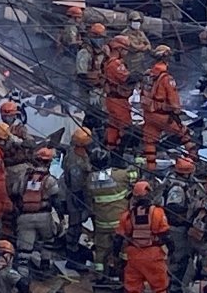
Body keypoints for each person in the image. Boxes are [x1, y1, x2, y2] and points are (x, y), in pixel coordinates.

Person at [113, 181, 171, 293]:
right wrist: (171, 251)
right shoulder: (157, 213)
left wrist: (115, 256)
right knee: (160, 288)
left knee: (133, 288)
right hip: (154, 255)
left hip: (134, 257)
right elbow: (166, 235)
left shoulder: (127, 216)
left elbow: (118, 239)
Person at [140, 45, 198, 172]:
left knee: (150, 143)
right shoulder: (166, 78)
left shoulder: (147, 75)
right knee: (184, 134)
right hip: (163, 116)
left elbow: (142, 93)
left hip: (149, 115)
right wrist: (177, 110)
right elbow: (174, 102)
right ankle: (193, 162)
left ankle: (150, 170)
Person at [11, 147, 60, 274]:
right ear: (49, 163)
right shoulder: (49, 179)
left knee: (24, 249)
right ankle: (45, 266)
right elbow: (56, 198)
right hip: (43, 216)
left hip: (25, 216)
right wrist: (60, 218)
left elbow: (15, 193)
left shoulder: (23, 177)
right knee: (48, 241)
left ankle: (22, 277)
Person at [164, 156, 202, 293]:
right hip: (177, 229)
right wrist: (188, 215)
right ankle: (172, 290)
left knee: (185, 258)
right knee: (178, 259)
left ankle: (175, 286)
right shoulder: (177, 188)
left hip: (184, 228)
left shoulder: (187, 183)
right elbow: (173, 207)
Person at [62, 128, 95, 268]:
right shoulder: (74, 161)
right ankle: (72, 257)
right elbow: (76, 185)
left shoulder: (81, 154)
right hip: (77, 198)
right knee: (74, 227)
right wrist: (82, 203)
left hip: (86, 196)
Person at [103, 35, 136, 151]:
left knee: (114, 127)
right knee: (126, 128)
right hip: (118, 101)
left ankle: (110, 149)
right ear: (119, 49)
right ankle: (119, 153)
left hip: (114, 100)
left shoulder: (112, 62)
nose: (126, 52)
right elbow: (125, 78)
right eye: (125, 49)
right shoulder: (114, 64)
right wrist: (137, 76)